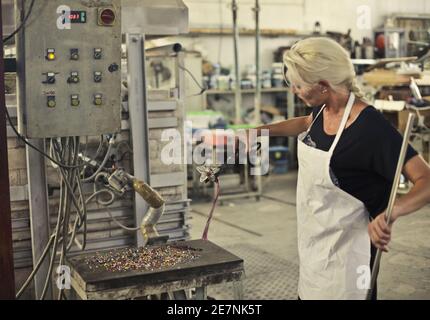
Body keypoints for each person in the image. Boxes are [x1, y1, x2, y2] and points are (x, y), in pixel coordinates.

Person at [252, 37, 430, 299]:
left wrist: (391, 213)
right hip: (315, 245)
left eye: (299, 85)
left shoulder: (371, 129)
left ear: (324, 86)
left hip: (350, 259)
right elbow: (304, 122)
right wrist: (256, 132)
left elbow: (426, 179)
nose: (294, 91)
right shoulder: (323, 111)